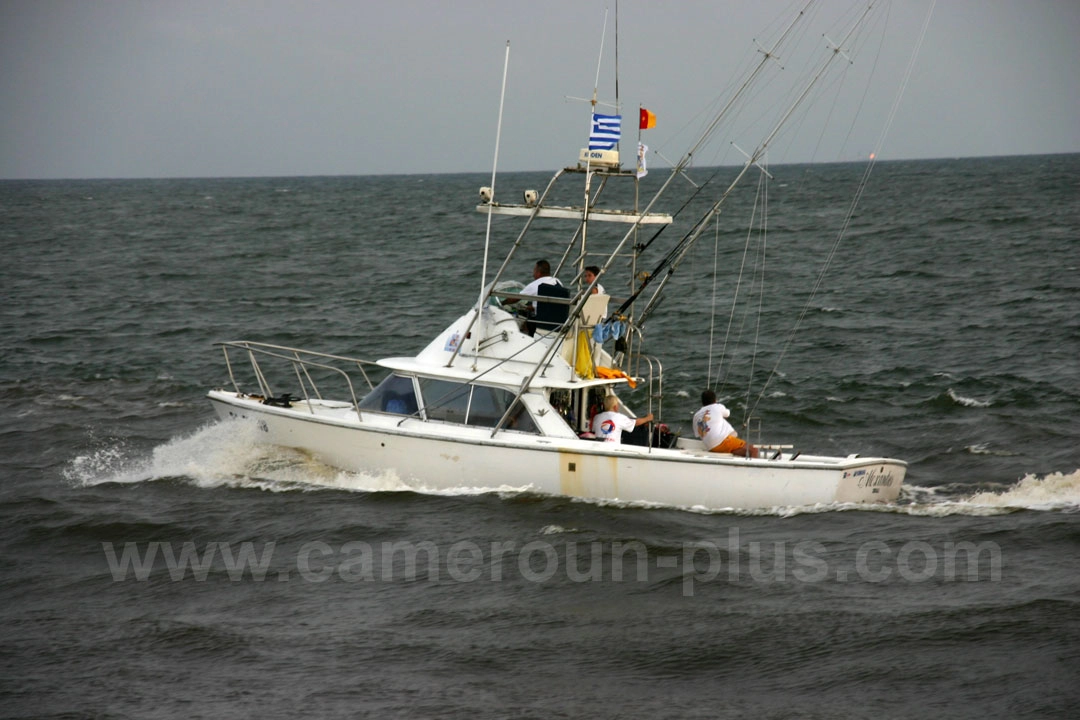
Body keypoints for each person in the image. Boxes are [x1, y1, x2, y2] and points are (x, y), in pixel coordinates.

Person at [692, 389, 758, 457]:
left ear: (702, 402)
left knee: (737, 447)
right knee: (753, 450)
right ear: (715, 400)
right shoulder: (718, 406)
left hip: (710, 447)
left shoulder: (696, 415)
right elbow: (727, 414)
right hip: (721, 442)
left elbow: (698, 434)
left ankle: (734, 452)